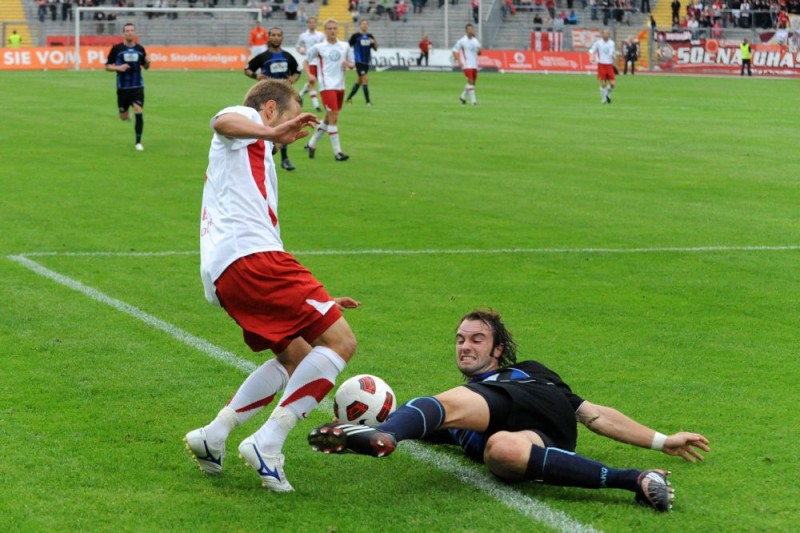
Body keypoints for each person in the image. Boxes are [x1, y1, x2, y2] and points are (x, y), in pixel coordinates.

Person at [309, 309, 711, 512]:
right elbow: (435, 425)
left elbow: (595, 415)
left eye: (477, 339)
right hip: (528, 438)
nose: (465, 346)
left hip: (531, 402)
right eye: (460, 339)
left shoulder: (524, 372)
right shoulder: (459, 422)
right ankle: (637, 481)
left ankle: (388, 436)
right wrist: (379, 418)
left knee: (452, 404)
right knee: (500, 454)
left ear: (496, 350)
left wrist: (662, 439)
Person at [184, 79, 359, 493]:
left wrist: (317, 301)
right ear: (269, 109)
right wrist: (269, 131)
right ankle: (268, 443)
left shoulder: (256, 151)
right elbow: (222, 121)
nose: (297, 123)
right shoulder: (247, 122)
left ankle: (213, 434)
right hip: (253, 258)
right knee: (341, 343)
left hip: (233, 271)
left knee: (297, 356)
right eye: (293, 113)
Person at [244, 26, 302, 171]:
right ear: (268, 38)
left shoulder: (288, 56)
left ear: (282, 38)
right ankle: (263, 155)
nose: (276, 37)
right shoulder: (263, 56)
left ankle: (284, 158)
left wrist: (292, 80)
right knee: (266, 126)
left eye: (278, 35)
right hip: (267, 99)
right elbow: (247, 69)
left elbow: (297, 71)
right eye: (273, 35)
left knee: (285, 125)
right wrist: (256, 76)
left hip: (284, 99)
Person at [303, 19, 355, 162]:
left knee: (327, 118)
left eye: (334, 28)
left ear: (337, 30)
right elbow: (306, 61)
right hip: (326, 86)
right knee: (333, 118)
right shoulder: (319, 47)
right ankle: (338, 152)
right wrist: (309, 74)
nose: (332, 31)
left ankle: (311, 144)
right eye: (329, 28)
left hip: (340, 87)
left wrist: (349, 65)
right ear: (325, 31)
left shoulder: (344, 46)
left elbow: (352, 64)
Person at [105, 23, 150, 151]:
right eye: (127, 30)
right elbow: (107, 66)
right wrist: (118, 68)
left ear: (134, 32)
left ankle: (138, 142)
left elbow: (145, 67)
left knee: (138, 109)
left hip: (137, 86)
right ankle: (126, 114)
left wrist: (148, 63)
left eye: (131, 30)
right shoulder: (117, 49)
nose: (129, 32)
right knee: (123, 117)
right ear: (123, 33)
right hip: (122, 88)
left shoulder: (140, 49)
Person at [346, 19, 378, 106]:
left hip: (366, 62)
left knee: (359, 81)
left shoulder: (370, 36)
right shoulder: (355, 36)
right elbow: (347, 47)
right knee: (365, 80)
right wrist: (349, 60)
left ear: (367, 26)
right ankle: (368, 102)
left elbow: (376, 48)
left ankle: (348, 98)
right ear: (360, 25)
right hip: (358, 61)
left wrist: (374, 42)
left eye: (366, 24)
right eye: (363, 24)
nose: (364, 25)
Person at [296, 16, 325, 112]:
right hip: (310, 61)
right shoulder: (303, 35)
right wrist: (300, 50)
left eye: (313, 22)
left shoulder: (320, 35)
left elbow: (325, 46)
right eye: (310, 22)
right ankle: (316, 106)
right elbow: (297, 46)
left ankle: (300, 94)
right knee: (312, 82)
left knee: (312, 82)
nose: (312, 24)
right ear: (307, 24)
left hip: (319, 61)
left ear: (316, 23)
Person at [452, 23, 482, 106]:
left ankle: (463, 97)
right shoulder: (462, 41)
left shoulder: (475, 41)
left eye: (471, 29)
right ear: (466, 30)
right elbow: (454, 50)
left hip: (474, 65)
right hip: (466, 64)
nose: (470, 30)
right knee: (470, 81)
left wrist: (479, 51)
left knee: (472, 83)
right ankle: (474, 102)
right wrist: (458, 60)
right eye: (469, 29)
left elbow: (479, 53)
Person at [588, 29, 616, 104]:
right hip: (601, 64)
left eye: (607, 34)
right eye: (605, 34)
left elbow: (612, 52)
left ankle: (607, 94)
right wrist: (591, 56)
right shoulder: (598, 43)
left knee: (612, 84)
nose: (606, 35)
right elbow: (591, 50)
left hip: (609, 64)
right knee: (603, 83)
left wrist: (614, 55)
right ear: (602, 35)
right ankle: (604, 99)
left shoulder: (612, 43)